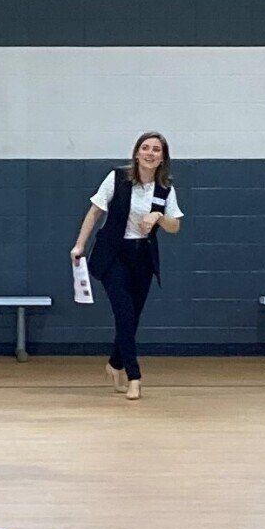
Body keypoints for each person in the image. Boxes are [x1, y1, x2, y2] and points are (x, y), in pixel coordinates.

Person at [72, 132, 183, 399]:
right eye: (145, 148)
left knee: (132, 318)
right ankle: (134, 376)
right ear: (136, 154)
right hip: (114, 255)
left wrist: (158, 216)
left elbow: (175, 226)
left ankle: (114, 362)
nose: (150, 153)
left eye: (156, 150)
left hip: (142, 256)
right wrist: (79, 245)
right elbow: (95, 211)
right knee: (124, 313)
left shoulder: (165, 189)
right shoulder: (117, 179)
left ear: (162, 158)